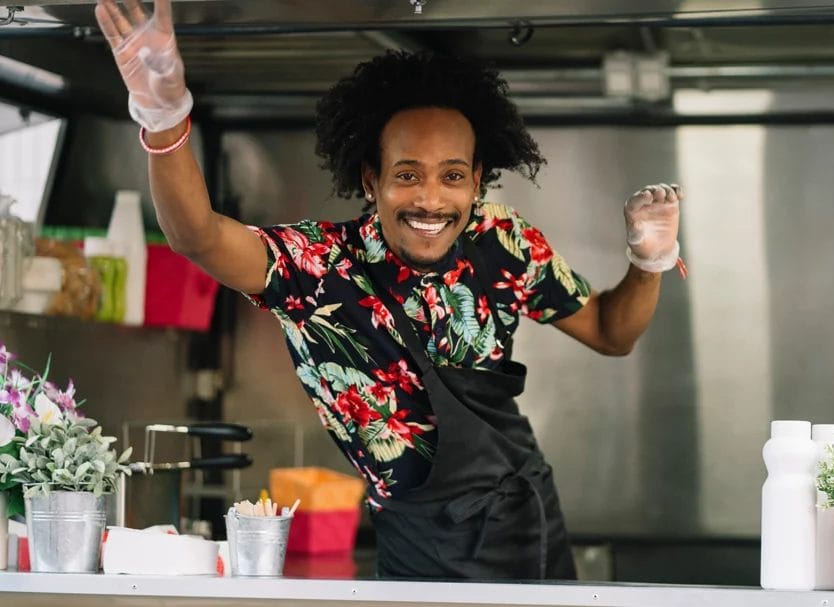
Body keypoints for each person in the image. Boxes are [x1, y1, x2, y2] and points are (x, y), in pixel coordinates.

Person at [94, 0, 683, 580]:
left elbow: (613, 332)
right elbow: (197, 236)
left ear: (477, 180)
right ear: (371, 179)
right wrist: (163, 117)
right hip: (418, 549)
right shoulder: (316, 265)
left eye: (453, 176)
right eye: (407, 175)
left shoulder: (503, 241)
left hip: (529, 528)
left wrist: (649, 260)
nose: (430, 199)